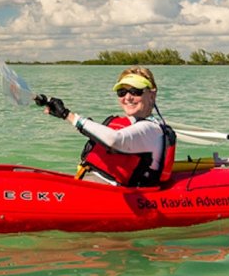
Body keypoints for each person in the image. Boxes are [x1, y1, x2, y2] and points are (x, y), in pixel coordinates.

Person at [37, 66, 177, 187]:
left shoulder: (151, 129)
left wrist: (67, 114)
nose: (127, 97)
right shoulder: (125, 124)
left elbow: (114, 139)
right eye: (122, 92)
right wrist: (58, 111)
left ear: (152, 95)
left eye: (135, 91)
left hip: (112, 195)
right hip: (89, 186)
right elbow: (100, 135)